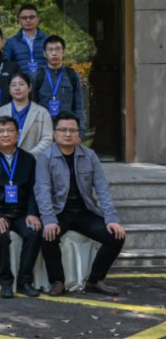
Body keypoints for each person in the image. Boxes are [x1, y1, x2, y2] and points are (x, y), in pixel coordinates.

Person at [35, 112, 126, 297]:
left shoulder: (89, 155)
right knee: (47, 236)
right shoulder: (45, 157)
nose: (67, 134)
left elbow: (102, 188)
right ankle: (57, 281)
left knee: (116, 237)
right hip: (59, 211)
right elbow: (42, 190)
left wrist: (111, 218)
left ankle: (94, 280)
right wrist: (49, 219)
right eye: (63, 130)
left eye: (72, 130)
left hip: (84, 211)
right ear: (55, 133)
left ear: (79, 134)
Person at [0, 116, 43, 299]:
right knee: (0, 235)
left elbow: (34, 190)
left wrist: (32, 213)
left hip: (21, 212)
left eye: (10, 130)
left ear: (17, 134)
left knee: (34, 232)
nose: (5, 135)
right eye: (0, 131)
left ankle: (24, 282)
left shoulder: (28, 159)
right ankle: (5, 282)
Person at [0, 73, 53, 157]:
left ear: (29, 87)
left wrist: (28, 157)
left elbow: (47, 139)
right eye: (13, 85)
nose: (17, 88)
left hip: (33, 160)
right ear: (9, 90)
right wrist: (5, 155)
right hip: (4, 160)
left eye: (21, 84)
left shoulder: (42, 112)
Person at [33, 35, 85, 133]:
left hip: (67, 129)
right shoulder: (38, 75)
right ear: (44, 53)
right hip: (44, 129)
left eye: (57, 49)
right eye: (50, 50)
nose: (54, 53)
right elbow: (32, 106)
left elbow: (78, 107)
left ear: (63, 52)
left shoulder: (72, 75)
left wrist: (80, 131)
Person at [3, 4, 48, 77]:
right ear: (19, 20)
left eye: (31, 17)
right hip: (20, 82)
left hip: (45, 81)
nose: (28, 20)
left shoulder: (47, 40)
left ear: (38, 19)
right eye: (24, 18)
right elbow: (6, 65)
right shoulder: (11, 42)